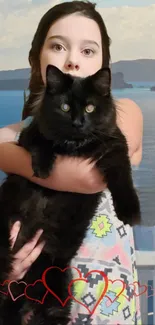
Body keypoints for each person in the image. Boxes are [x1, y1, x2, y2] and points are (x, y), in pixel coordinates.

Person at [0, 1, 143, 324]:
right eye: (58, 46)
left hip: (108, 308)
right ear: (37, 57)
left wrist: (19, 157)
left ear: (105, 62)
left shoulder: (126, 113)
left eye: (88, 51)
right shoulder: (9, 134)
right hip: (38, 294)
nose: (72, 61)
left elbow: (91, 178)